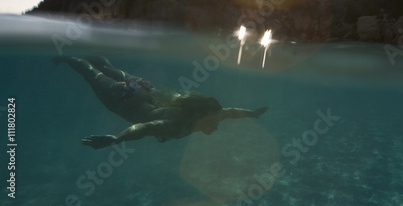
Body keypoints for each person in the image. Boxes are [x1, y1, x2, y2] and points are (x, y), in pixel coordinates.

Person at [52, 56, 268, 149]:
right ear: (202, 117)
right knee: (90, 73)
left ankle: (86, 54)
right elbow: (145, 127)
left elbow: (231, 112)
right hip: (123, 99)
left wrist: (253, 114)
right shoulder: (176, 126)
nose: (217, 125)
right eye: (215, 121)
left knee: (105, 70)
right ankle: (65, 56)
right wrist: (116, 140)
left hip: (145, 87)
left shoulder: (205, 115)